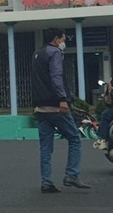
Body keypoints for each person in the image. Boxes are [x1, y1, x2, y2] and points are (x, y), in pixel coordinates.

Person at [32, 28, 90, 193]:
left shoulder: (37, 54)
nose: (64, 42)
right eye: (63, 39)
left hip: (40, 108)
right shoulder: (55, 53)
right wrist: (63, 99)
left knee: (45, 147)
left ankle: (46, 182)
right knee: (75, 138)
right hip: (56, 106)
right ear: (57, 39)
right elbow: (56, 77)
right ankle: (71, 175)